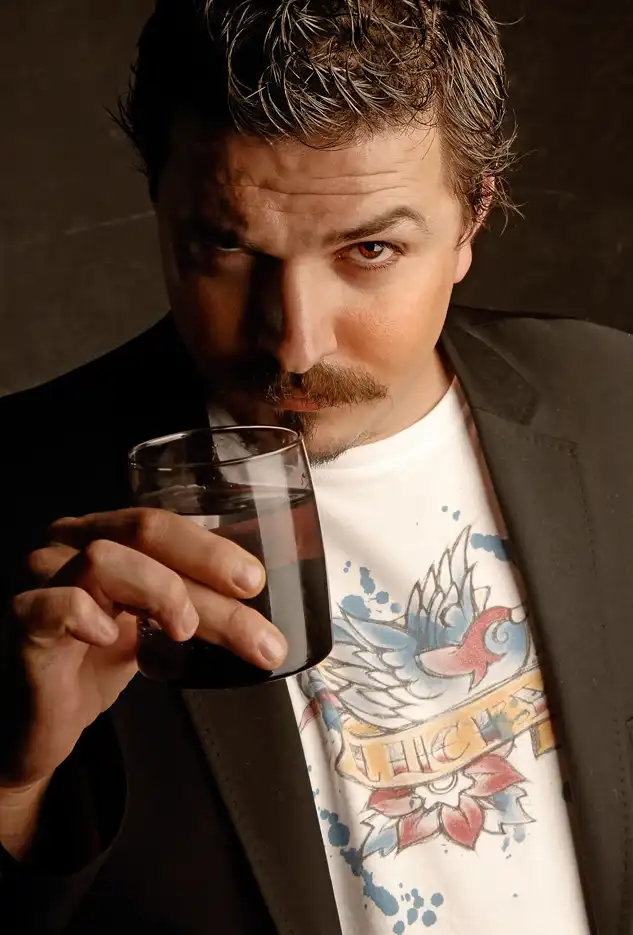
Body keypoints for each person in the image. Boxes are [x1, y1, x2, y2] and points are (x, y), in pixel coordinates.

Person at [0, 1, 631, 933]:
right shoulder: (16, 489)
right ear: (160, 202)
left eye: (369, 249)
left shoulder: (613, 403)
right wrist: (12, 782)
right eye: (225, 246)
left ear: (472, 218)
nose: (295, 342)